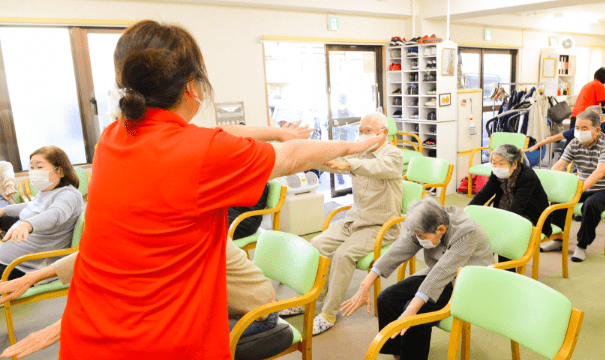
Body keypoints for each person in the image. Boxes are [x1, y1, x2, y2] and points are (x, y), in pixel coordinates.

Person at [59, 20, 384, 360]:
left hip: (89, 334)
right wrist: (354, 146)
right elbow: (292, 159)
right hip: (158, 339)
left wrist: (276, 132)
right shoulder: (196, 152)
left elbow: (214, 132)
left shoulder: (114, 136)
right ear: (191, 86)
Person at [0, 238, 293, 360]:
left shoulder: (191, 229)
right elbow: (107, 247)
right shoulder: (156, 216)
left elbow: (148, 296)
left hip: (252, 317)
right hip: (212, 309)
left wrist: (61, 328)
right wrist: (30, 277)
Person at [340, 197, 494, 360]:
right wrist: (367, 282)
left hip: (468, 282)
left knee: (415, 313)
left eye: (421, 235)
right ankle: (399, 353)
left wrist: (412, 308)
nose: (418, 237)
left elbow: (442, 272)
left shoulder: (466, 232)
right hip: (440, 275)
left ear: (441, 229)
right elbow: (399, 249)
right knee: (387, 299)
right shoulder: (430, 222)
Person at [299, 112, 402, 336]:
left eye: (368, 131)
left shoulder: (393, 155)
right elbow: (336, 165)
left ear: (382, 133)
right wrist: (311, 156)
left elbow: (374, 168)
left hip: (379, 225)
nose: (362, 135)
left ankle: (328, 313)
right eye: (361, 130)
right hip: (353, 220)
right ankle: (311, 296)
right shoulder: (361, 153)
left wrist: (348, 164)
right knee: (316, 244)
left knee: (343, 255)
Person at [541, 108, 605, 262]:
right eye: (577, 128)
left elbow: (599, 172)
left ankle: (582, 245)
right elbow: (560, 165)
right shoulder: (575, 142)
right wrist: (551, 181)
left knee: (591, 205)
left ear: (597, 130)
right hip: (583, 184)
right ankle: (558, 240)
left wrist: (578, 190)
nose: (579, 132)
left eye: (584, 128)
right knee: (560, 198)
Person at [0, 146, 84, 281]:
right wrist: (4, 210)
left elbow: (55, 214)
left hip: (26, 268)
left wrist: (27, 224)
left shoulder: (69, 194)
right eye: (32, 167)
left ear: (60, 171)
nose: (34, 172)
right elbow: (33, 205)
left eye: (39, 167)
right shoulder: (47, 190)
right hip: (14, 263)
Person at [468, 144, 553, 245]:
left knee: (501, 235)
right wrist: (467, 211)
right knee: (481, 229)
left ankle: (508, 260)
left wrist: (500, 223)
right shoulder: (496, 173)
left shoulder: (527, 177)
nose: (497, 167)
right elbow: (484, 194)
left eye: (501, 163)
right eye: (494, 163)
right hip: (506, 212)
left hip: (530, 216)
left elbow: (518, 206)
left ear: (514, 164)